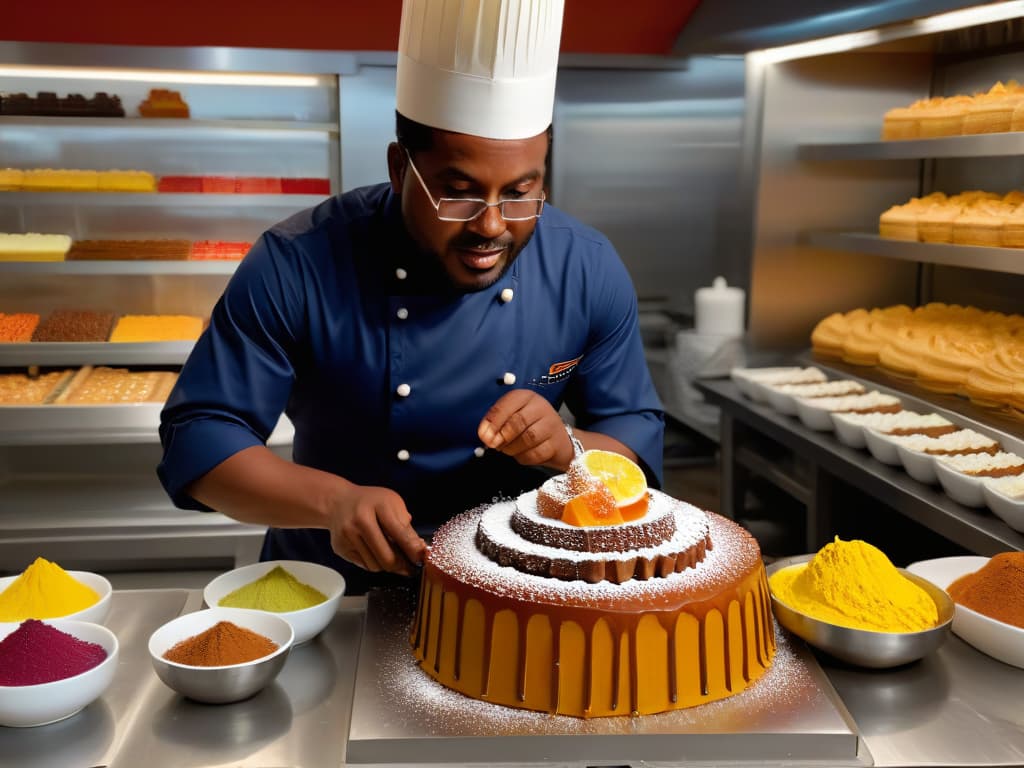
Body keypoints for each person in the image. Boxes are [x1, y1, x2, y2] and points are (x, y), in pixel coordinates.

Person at [157, 0, 664, 595]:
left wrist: (570, 448)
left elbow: (635, 438)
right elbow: (200, 438)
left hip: (519, 593)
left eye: (521, 192)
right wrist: (333, 501)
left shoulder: (584, 265)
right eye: (459, 193)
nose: (493, 226)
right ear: (401, 168)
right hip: (331, 589)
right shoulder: (298, 261)